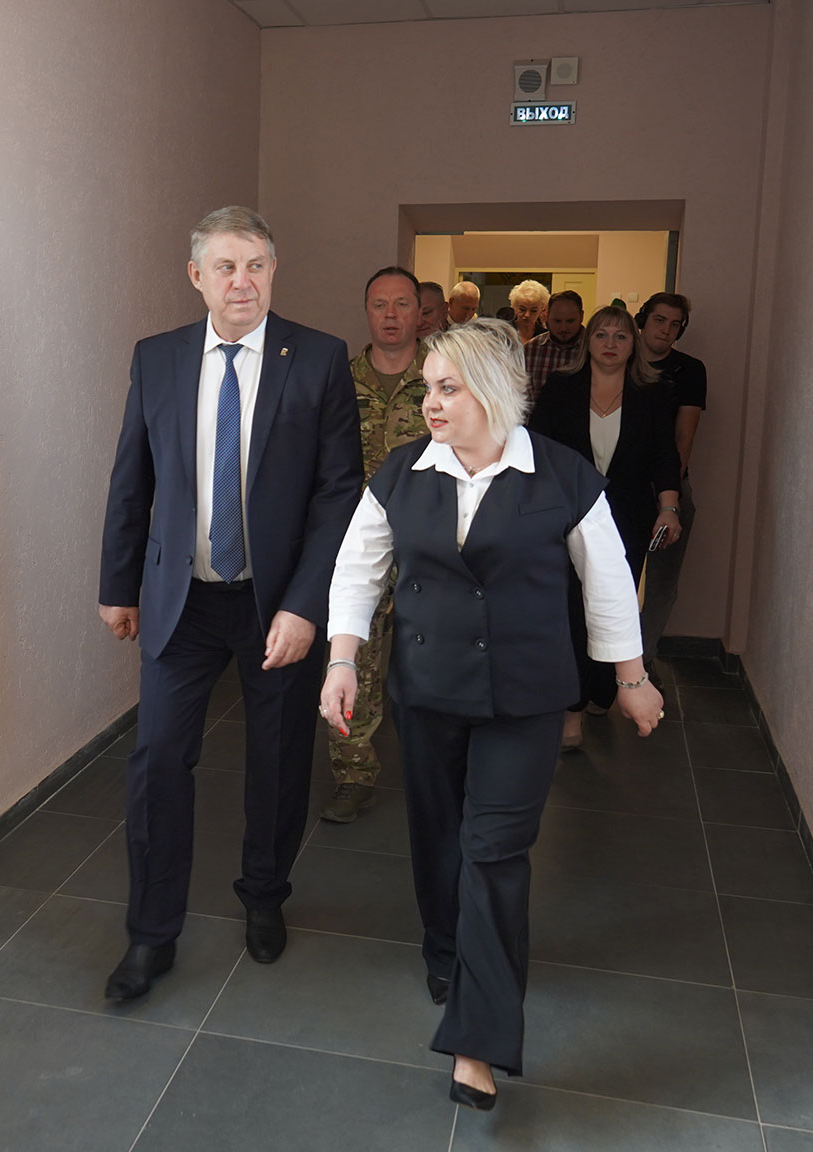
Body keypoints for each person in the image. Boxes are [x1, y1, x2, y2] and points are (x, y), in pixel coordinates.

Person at [320, 318, 663, 1110]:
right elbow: (357, 571)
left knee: (495, 851)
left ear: (496, 391)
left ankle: (476, 1040)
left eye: (448, 388)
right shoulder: (404, 472)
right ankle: (447, 952)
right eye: (429, 388)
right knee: (438, 838)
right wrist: (341, 661)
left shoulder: (562, 476)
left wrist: (632, 677)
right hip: (428, 691)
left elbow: (608, 580)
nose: (431, 403)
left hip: (524, 700)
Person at [98, 206, 363, 1001]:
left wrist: (306, 605)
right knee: (157, 763)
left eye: (255, 265)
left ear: (273, 271)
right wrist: (118, 585)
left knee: (277, 762)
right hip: (180, 600)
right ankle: (151, 934)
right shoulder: (158, 358)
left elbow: (338, 492)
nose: (241, 281)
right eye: (225, 266)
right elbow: (132, 477)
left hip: (275, 605)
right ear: (197, 276)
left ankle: (265, 895)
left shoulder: (317, 358)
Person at [526, 304, 681, 748]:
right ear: (587, 342)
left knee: (612, 604)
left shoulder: (654, 393)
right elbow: (536, 448)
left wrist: (669, 508)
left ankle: (601, 690)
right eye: (601, 335)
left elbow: (664, 456)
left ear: (633, 345)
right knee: (573, 609)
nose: (610, 344)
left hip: (628, 518)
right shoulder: (561, 387)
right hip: (566, 516)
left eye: (620, 336)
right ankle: (571, 709)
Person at [322, 267, 429, 824]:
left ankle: (438, 768)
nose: (390, 315)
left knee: (429, 656)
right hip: (356, 544)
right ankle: (352, 774)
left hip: (427, 542)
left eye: (402, 304)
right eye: (379, 304)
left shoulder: (444, 379)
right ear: (366, 310)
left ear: (420, 312)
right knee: (354, 660)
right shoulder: (338, 381)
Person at [634, 293, 705, 667]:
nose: (666, 330)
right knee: (614, 576)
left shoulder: (689, 370)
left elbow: (683, 438)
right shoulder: (620, 360)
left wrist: (668, 496)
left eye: (675, 324)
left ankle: (643, 661)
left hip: (670, 485)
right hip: (621, 486)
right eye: (659, 320)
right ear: (643, 320)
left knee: (662, 583)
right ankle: (602, 664)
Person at [521, 289, 584, 399]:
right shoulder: (530, 350)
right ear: (547, 316)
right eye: (557, 321)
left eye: (570, 321)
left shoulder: (595, 349)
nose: (563, 328)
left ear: (581, 317)